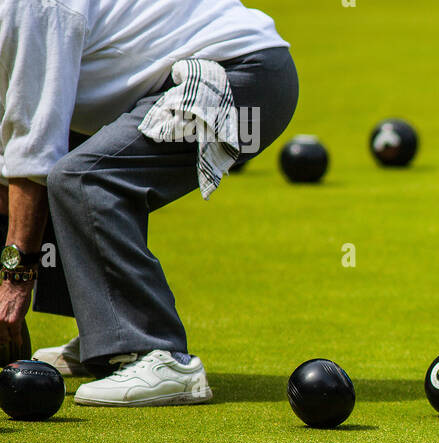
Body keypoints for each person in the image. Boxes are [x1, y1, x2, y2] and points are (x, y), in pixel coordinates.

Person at [0, 0, 298, 406]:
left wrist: (14, 279)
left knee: (84, 178)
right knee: (66, 169)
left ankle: (161, 355)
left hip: (239, 76)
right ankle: (108, 339)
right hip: (214, 71)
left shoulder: (29, 8)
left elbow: (33, 152)